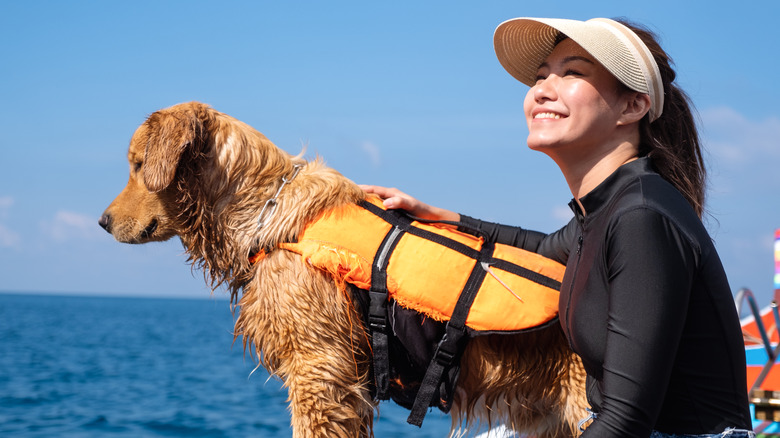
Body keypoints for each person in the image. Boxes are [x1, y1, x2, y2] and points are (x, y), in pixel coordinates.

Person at [362, 17, 754, 438]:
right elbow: (540, 247)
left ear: (632, 106)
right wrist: (441, 217)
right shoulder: (604, 212)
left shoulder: (642, 216)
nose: (542, 89)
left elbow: (626, 423)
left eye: (572, 72)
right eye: (540, 76)